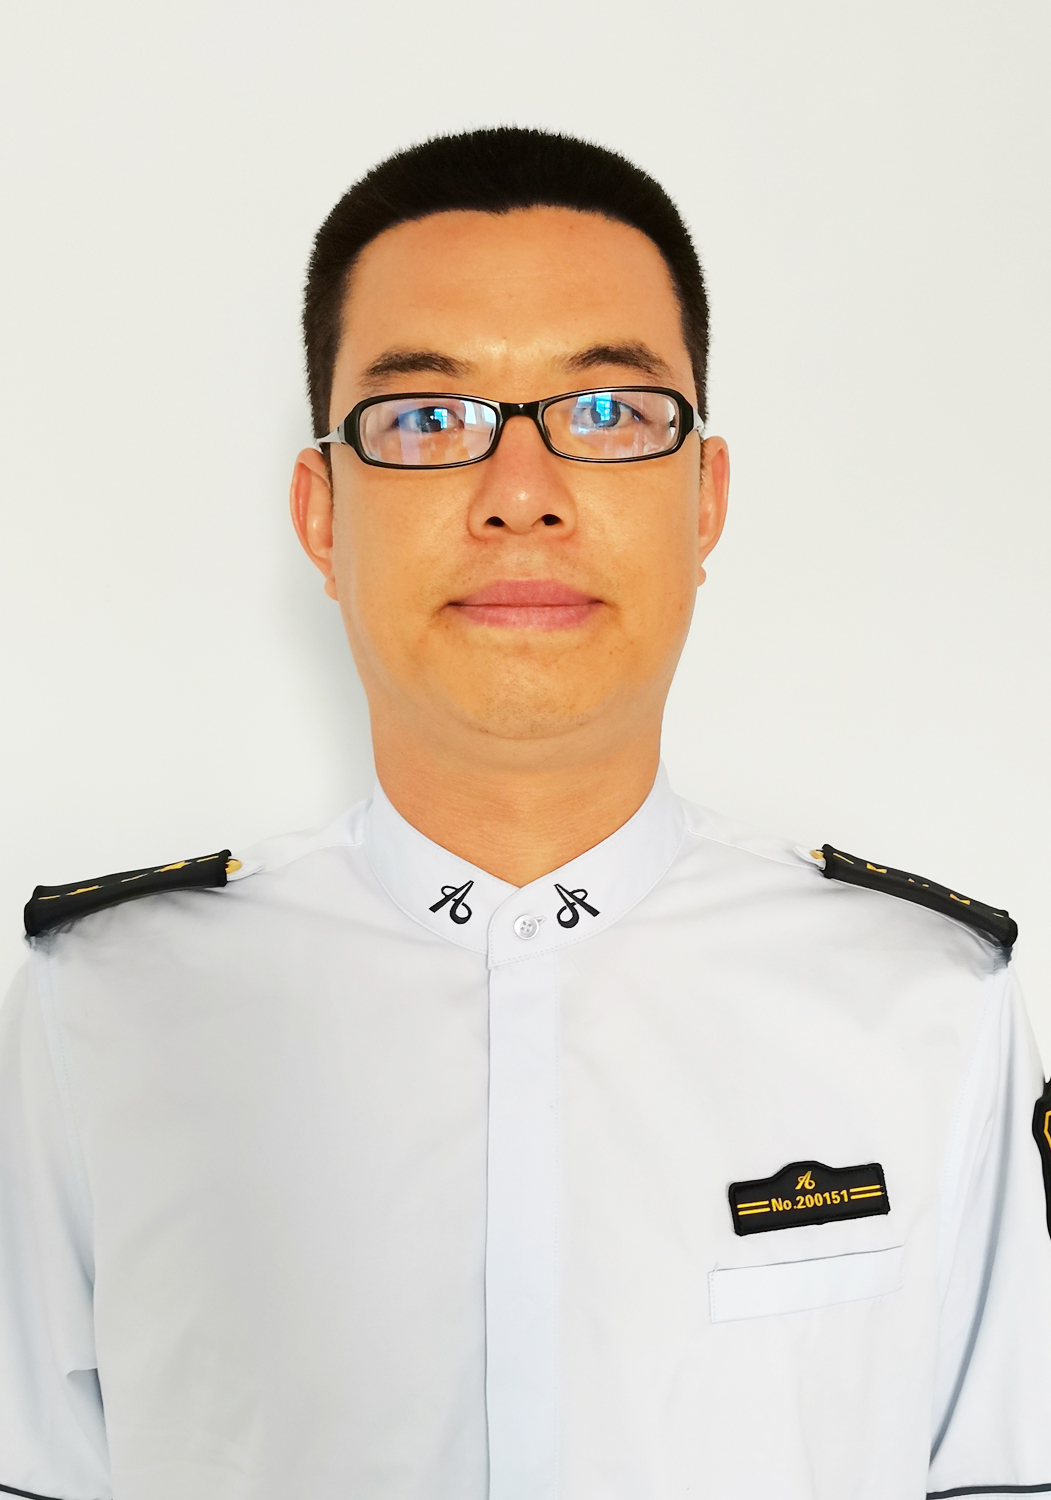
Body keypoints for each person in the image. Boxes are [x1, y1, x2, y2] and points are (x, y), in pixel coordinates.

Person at [1, 126, 1049, 1500]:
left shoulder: (931, 1009)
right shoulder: (103, 1013)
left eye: (607, 412)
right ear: (322, 516)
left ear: (705, 499)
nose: (521, 497)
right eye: (427, 420)